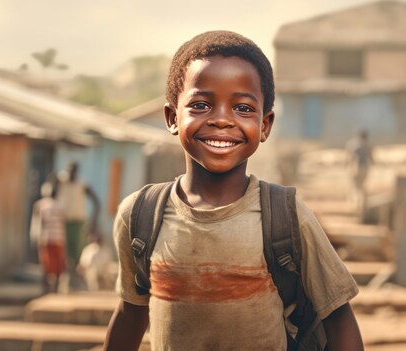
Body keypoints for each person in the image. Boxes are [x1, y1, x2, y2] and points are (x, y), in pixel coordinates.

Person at [104, 31, 363, 350]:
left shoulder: (286, 216)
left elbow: (338, 318)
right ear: (172, 117)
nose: (222, 120)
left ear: (265, 125)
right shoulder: (141, 216)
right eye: (200, 104)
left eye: (242, 108)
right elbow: (131, 314)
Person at [55, 162, 100, 270]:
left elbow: (96, 202)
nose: (70, 174)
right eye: (69, 171)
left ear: (76, 172)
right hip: (64, 221)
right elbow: (52, 187)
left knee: (77, 249)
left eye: (73, 171)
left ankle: (75, 274)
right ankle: (65, 274)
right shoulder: (62, 181)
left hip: (78, 221)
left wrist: (93, 220)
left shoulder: (82, 184)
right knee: (63, 249)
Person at [30, 181, 67, 293]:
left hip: (46, 239)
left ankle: (47, 289)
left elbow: (36, 223)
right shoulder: (60, 205)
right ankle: (53, 289)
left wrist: (34, 237)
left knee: (46, 265)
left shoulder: (40, 205)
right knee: (56, 265)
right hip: (57, 239)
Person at [346, 129, 374, 219]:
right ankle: (361, 207)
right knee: (362, 187)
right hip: (364, 168)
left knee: (356, 187)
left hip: (356, 168)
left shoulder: (353, 144)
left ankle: (355, 207)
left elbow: (350, 157)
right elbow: (372, 158)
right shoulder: (367, 145)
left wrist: (348, 165)